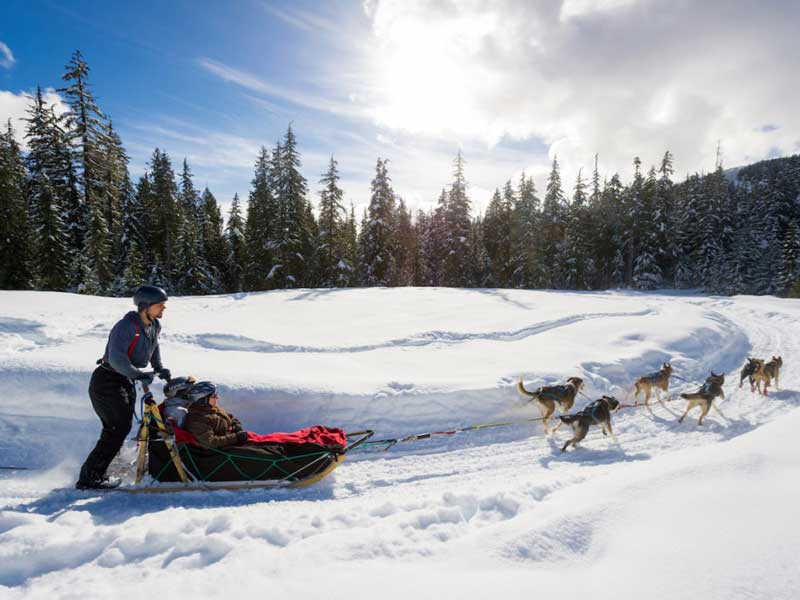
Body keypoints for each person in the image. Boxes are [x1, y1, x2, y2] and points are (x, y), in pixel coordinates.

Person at [76, 285, 172, 489]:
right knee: (117, 427)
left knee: (121, 427)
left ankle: (101, 470)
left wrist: (159, 367)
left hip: (124, 380)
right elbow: (117, 359)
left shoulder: (154, 325)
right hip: (108, 380)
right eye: (160, 306)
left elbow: (154, 346)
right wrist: (138, 375)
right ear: (146, 306)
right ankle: (90, 477)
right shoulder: (126, 326)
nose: (163, 309)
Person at [183, 381, 248, 449]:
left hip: (229, 440)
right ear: (202, 399)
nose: (217, 397)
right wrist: (236, 438)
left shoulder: (211, 407)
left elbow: (229, 416)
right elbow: (210, 442)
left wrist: (236, 424)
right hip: (216, 452)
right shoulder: (197, 419)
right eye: (214, 396)